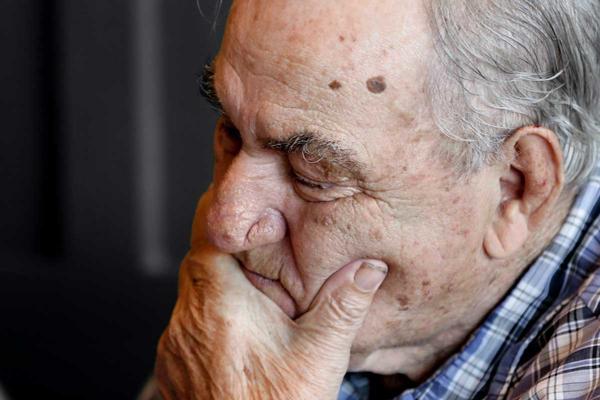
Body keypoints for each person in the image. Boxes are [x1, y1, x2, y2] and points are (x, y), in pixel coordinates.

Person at [152, 0, 600, 398]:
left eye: (314, 175)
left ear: (514, 188)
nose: (226, 223)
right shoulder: (261, 306)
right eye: (230, 131)